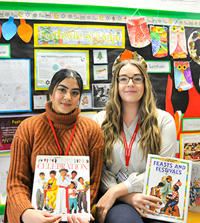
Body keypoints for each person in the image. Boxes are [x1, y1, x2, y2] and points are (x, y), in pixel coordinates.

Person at [4, 68, 104, 223]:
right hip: (33, 213)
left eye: (75, 93)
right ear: (51, 93)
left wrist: (79, 210)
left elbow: (94, 181)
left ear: (80, 98)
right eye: (62, 90)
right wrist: (26, 212)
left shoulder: (92, 130)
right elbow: (16, 182)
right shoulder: (28, 128)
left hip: (74, 213)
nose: (68, 97)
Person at [93, 49, 177, 223]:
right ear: (116, 84)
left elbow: (164, 169)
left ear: (145, 83)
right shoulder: (100, 120)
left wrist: (120, 190)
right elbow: (99, 170)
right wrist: (125, 196)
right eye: (123, 78)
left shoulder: (164, 120)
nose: (130, 83)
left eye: (137, 78)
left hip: (154, 194)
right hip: (117, 201)